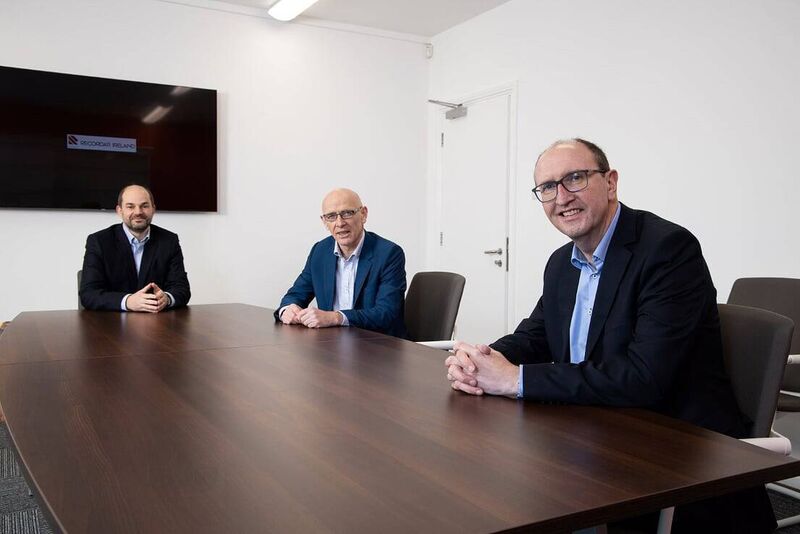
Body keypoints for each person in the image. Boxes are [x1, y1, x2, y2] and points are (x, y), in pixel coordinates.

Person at [445, 138, 774, 532]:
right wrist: (481, 360)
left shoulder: (667, 249)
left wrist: (515, 379)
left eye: (576, 178)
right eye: (548, 187)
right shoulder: (562, 263)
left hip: (676, 447)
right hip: (595, 427)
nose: (561, 196)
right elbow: (537, 335)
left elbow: (644, 377)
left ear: (611, 183)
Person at [275, 188, 407, 338]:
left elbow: (386, 313)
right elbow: (296, 294)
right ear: (324, 222)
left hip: (378, 346)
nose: (340, 223)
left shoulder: (388, 253)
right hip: (331, 345)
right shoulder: (320, 251)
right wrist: (288, 309)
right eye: (331, 216)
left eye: (347, 213)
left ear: (363, 214)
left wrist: (335, 317)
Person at [79, 184, 191, 312]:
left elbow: (182, 289)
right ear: (119, 210)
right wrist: (127, 301)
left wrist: (167, 298)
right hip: (111, 325)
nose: (138, 212)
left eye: (144, 206)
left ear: (153, 209)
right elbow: (88, 294)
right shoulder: (99, 241)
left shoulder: (169, 241)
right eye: (130, 206)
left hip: (157, 324)